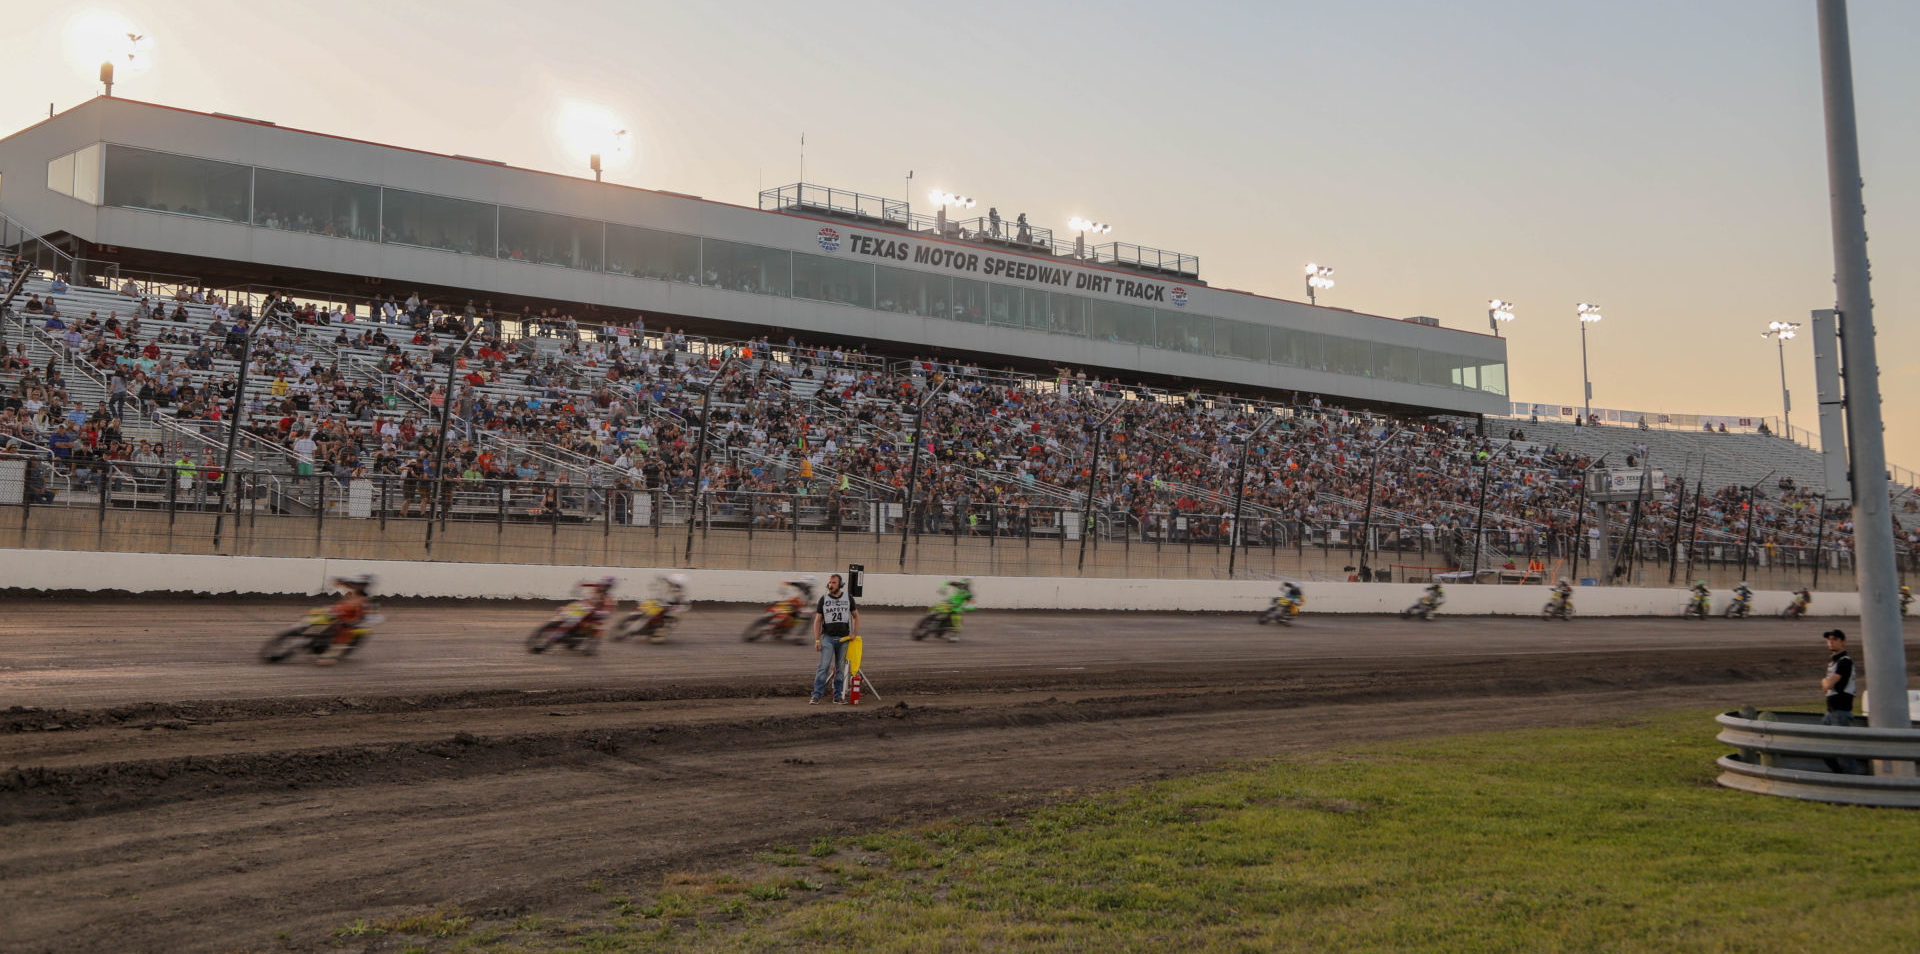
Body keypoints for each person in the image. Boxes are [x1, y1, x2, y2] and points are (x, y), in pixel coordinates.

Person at [811, 573, 859, 705]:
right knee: (824, 667)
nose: (830, 585)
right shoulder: (824, 599)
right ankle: (816, 695)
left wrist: (854, 633)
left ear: (840, 584)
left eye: (834, 582)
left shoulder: (848, 598)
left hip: (844, 639)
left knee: (840, 669)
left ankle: (837, 696)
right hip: (827, 638)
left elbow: (855, 615)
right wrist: (817, 640)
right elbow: (817, 621)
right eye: (830, 582)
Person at [1820, 629, 1860, 772]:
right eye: (1829, 639)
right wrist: (1826, 682)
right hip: (1831, 712)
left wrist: (1824, 681)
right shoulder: (1833, 662)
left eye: (1835, 639)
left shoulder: (1845, 661)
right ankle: (1841, 778)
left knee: (1844, 754)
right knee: (1823, 749)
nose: (1830, 641)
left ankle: (1852, 782)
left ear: (1843, 642)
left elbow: (1828, 685)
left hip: (1841, 712)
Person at [314, 574, 375, 665]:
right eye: (359, 583)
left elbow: (362, 614)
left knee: (343, 631)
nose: (359, 585)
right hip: (340, 612)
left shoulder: (364, 599)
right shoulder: (355, 589)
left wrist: (352, 621)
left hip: (351, 620)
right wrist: (338, 581)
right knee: (318, 613)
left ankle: (331, 656)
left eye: (362, 584)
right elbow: (345, 583)